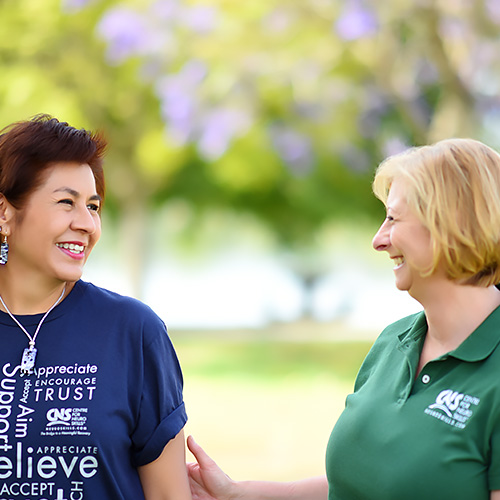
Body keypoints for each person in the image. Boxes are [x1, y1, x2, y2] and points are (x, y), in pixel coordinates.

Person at [186, 137, 500, 500]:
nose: (378, 240)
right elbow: (352, 489)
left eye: (393, 218)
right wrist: (236, 494)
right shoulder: (393, 343)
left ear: (450, 225)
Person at [0, 115, 191, 499]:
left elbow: (170, 495)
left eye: (93, 206)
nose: (87, 223)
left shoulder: (133, 331)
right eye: (66, 203)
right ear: (4, 213)